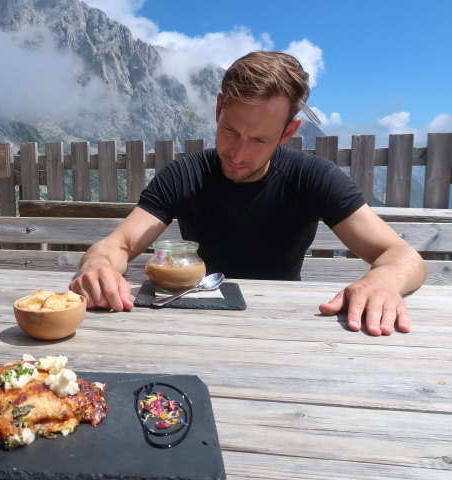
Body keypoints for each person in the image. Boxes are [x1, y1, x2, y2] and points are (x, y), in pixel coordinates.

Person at [69, 50, 426, 336]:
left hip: (282, 331)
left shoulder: (313, 176)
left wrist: (380, 282)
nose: (238, 155)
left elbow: (402, 256)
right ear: (218, 108)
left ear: (288, 132)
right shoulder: (184, 174)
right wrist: (99, 267)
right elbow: (116, 245)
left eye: (259, 140)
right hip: (189, 327)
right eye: (229, 130)